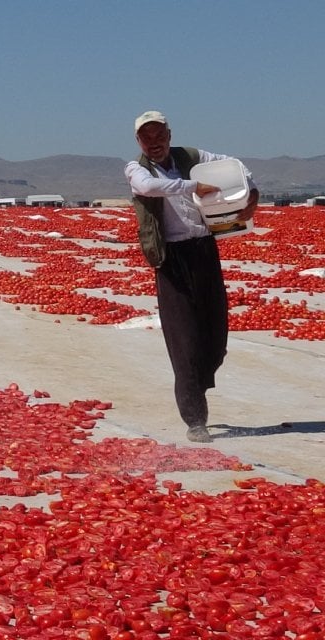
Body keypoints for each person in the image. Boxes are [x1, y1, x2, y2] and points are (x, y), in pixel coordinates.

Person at [124, 110, 258, 444]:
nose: (154, 143)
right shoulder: (136, 168)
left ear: (169, 134)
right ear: (138, 141)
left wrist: (251, 195)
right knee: (183, 339)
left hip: (204, 251)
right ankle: (195, 419)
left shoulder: (194, 158)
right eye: (146, 137)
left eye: (159, 135)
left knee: (215, 336)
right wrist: (194, 185)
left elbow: (237, 168)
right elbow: (149, 188)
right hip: (171, 258)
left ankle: (199, 379)